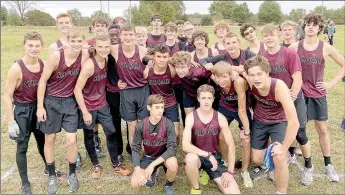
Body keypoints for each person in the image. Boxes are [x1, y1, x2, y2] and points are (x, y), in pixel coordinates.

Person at [289, 13, 344, 183]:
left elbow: (343, 64)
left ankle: (328, 164)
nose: (311, 27)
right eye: (308, 24)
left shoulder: (325, 47)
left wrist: (332, 82)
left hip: (318, 94)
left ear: (320, 28)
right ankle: (303, 162)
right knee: (299, 129)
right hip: (299, 94)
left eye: (315, 24)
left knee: (322, 129)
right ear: (304, 27)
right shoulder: (294, 46)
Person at [36, 27, 90, 194]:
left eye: (79, 41)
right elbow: (43, 81)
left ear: (83, 42)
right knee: (50, 138)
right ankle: (52, 175)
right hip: (51, 101)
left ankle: (72, 174)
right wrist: (40, 106)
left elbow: (94, 49)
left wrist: (89, 47)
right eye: (72, 41)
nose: (76, 44)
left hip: (69, 102)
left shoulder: (85, 54)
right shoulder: (56, 56)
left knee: (72, 140)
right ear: (67, 41)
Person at [261, 23, 313, 185]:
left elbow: (297, 79)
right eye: (266, 35)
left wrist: (290, 98)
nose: (269, 38)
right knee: (276, 135)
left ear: (278, 35)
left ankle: (308, 167)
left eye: (272, 34)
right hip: (274, 104)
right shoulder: (261, 56)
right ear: (263, 38)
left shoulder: (289, 53)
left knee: (300, 134)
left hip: (292, 99)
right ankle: (275, 166)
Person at [74, 35, 131, 179]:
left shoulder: (106, 60)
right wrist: (85, 112)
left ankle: (116, 164)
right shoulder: (89, 65)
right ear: (95, 47)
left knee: (111, 132)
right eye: (100, 47)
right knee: (88, 135)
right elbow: (77, 90)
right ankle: (95, 164)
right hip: (88, 107)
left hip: (102, 104)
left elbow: (103, 81)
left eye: (106, 46)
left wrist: (115, 84)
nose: (104, 49)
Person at [242, 55, 299, 194]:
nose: (256, 78)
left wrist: (284, 148)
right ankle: (272, 162)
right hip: (260, 120)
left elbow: (294, 122)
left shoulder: (278, 87)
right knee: (257, 159)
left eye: (259, 74)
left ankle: (281, 191)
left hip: (278, 121)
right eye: (252, 74)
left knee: (279, 156)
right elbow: (238, 70)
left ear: (267, 73)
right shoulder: (250, 82)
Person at [4, 32, 47, 194]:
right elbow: (7, 96)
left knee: (44, 142)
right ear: (24, 45)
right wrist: (10, 121)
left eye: (37, 45)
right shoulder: (17, 68)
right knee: (22, 146)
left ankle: (49, 170)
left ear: (42, 47)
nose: (34, 49)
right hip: (22, 110)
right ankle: (25, 182)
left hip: (40, 108)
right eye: (30, 45)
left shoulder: (44, 64)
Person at [182, 84, 240, 194]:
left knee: (234, 193)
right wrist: (207, 155)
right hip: (197, 156)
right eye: (203, 98)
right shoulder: (191, 117)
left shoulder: (220, 118)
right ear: (198, 99)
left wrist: (230, 172)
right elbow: (185, 146)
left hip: (214, 158)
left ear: (213, 99)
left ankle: (209, 173)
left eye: (209, 98)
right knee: (190, 159)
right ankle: (196, 188)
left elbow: (231, 146)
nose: (206, 101)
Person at [210, 61, 253, 188]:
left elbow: (241, 110)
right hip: (226, 107)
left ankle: (245, 171)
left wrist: (246, 131)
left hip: (242, 109)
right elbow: (208, 67)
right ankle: (224, 161)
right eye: (218, 77)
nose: (221, 80)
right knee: (220, 135)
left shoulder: (238, 82)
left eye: (224, 76)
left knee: (245, 140)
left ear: (230, 75)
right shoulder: (214, 77)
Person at [110, 24, 149, 158]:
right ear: (120, 36)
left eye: (131, 34)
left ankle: (146, 151)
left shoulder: (143, 50)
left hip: (143, 90)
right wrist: (115, 81)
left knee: (143, 123)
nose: (128, 37)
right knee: (131, 124)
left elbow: (160, 58)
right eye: (125, 34)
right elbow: (96, 48)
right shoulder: (115, 49)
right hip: (126, 91)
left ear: (135, 36)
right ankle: (135, 153)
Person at [130, 94, 178, 194]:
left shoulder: (168, 123)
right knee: (135, 183)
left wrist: (151, 165)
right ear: (149, 107)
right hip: (149, 156)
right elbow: (135, 149)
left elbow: (172, 149)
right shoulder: (141, 125)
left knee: (173, 164)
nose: (160, 111)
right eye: (157, 107)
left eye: (162, 107)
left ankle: (169, 184)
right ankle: (153, 172)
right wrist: (138, 171)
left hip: (165, 156)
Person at [143, 44, 180, 145]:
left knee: (176, 133)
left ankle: (173, 148)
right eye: (158, 56)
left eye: (165, 57)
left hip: (170, 103)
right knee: (155, 133)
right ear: (154, 57)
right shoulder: (148, 71)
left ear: (168, 58)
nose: (161, 60)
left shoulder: (171, 70)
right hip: (155, 104)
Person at [107, 24, 129, 162]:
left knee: (130, 121)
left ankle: (131, 148)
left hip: (127, 91)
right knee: (115, 122)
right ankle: (118, 150)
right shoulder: (105, 51)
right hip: (112, 92)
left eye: (117, 34)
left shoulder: (126, 49)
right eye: (112, 35)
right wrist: (115, 83)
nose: (114, 37)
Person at [170, 51, 212, 116]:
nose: (180, 71)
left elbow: (213, 72)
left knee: (201, 117)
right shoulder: (177, 66)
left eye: (183, 67)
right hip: (188, 93)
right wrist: (191, 61)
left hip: (202, 94)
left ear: (189, 66)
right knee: (189, 117)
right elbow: (167, 59)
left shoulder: (199, 72)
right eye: (177, 67)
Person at [164, 22, 186, 126]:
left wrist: (169, 59)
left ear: (176, 33)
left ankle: (186, 129)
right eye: (168, 31)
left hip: (181, 81)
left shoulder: (181, 45)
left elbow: (184, 59)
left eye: (172, 31)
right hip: (168, 81)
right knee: (170, 108)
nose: (170, 33)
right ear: (165, 33)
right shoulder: (162, 46)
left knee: (183, 106)